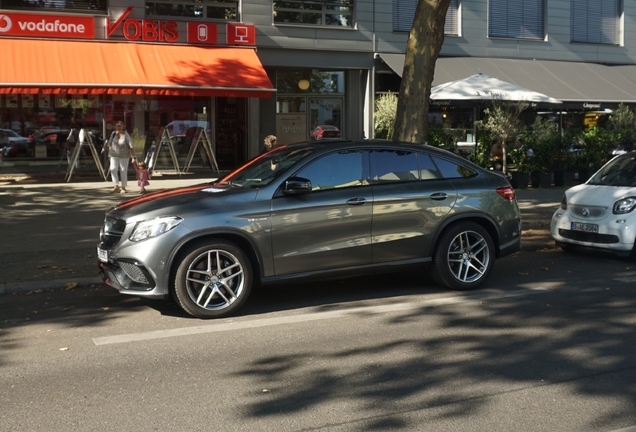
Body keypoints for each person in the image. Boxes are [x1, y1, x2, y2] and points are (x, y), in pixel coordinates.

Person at [106, 121, 136, 194]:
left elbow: (131, 146)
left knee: (123, 170)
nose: (118, 128)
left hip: (124, 155)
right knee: (113, 169)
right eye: (117, 126)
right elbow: (109, 144)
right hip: (114, 155)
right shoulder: (113, 134)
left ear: (123, 127)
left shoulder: (126, 135)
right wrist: (109, 154)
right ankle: (116, 186)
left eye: (120, 126)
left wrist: (133, 157)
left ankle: (123, 187)